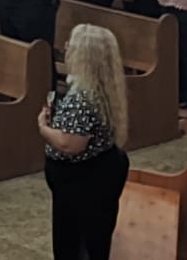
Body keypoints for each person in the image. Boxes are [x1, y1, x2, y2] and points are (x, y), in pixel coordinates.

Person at [40, 23, 132, 260]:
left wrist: (43, 129)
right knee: (96, 236)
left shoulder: (81, 98)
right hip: (101, 170)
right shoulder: (104, 87)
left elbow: (70, 145)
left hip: (80, 182)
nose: (66, 48)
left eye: (72, 45)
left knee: (74, 244)